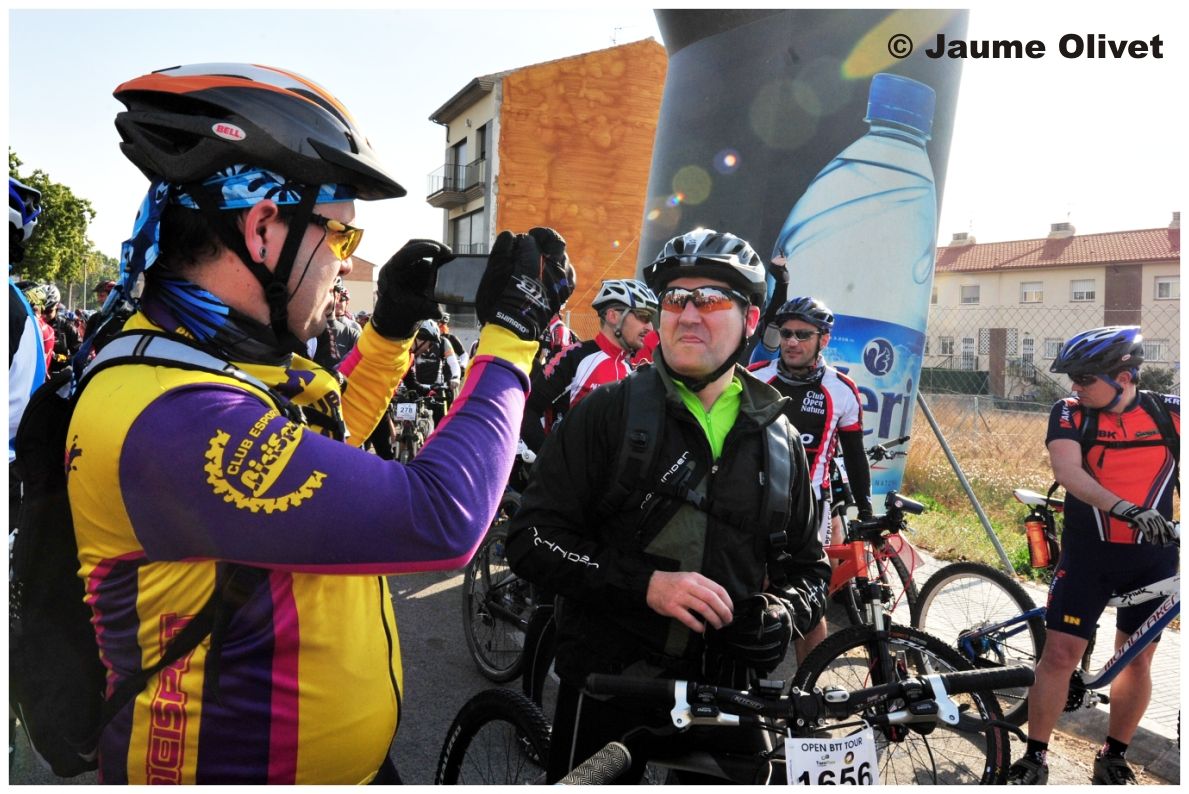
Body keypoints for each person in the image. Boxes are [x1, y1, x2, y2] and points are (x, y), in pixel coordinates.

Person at [69, 62, 571, 784]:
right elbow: (444, 519)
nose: (345, 262)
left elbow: (323, 444)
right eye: (338, 236)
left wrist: (389, 333)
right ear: (264, 227)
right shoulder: (168, 415)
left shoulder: (204, 361)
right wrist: (513, 338)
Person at [507, 228, 829, 783]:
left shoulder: (777, 437)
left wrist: (784, 613)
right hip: (612, 688)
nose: (688, 315)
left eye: (711, 300)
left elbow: (809, 570)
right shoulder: (610, 412)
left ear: (752, 321)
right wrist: (644, 585)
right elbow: (531, 539)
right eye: (676, 299)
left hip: (728, 694)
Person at [1007, 326, 1179, 786]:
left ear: (1124, 376)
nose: (1075, 387)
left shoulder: (1170, 414)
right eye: (1073, 378)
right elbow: (1066, 470)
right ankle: (1036, 754)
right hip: (1088, 555)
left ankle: (1114, 754)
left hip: (1153, 558)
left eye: (1084, 378)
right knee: (1061, 655)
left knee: (1137, 659)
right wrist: (1125, 509)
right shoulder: (1070, 413)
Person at [747, 296, 873, 656]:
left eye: (803, 334)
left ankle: (806, 688)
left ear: (824, 339)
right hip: (753, 505)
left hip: (808, 513)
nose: (791, 342)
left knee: (808, 602)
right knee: (748, 589)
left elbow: (854, 455)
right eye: (786, 333)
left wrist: (865, 514)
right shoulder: (755, 379)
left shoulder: (842, 390)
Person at [520, 278, 657, 453]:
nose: (650, 327)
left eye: (650, 319)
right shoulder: (576, 356)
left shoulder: (633, 370)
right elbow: (527, 410)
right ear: (613, 316)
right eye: (643, 316)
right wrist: (548, 461)